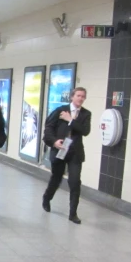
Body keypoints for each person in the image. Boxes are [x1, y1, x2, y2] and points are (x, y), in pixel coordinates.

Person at [42, 87, 92, 224]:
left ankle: (73, 213)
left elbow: (85, 131)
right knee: (56, 178)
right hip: (60, 149)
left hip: (75, 152)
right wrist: (54, 142)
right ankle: (47, 198)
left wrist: (71, 120)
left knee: (74, 182)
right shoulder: (60, 110)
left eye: (83, 96)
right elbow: (49, 127)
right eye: (78, 95)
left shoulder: (86, 114)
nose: (80, 98)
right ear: (72, 97)